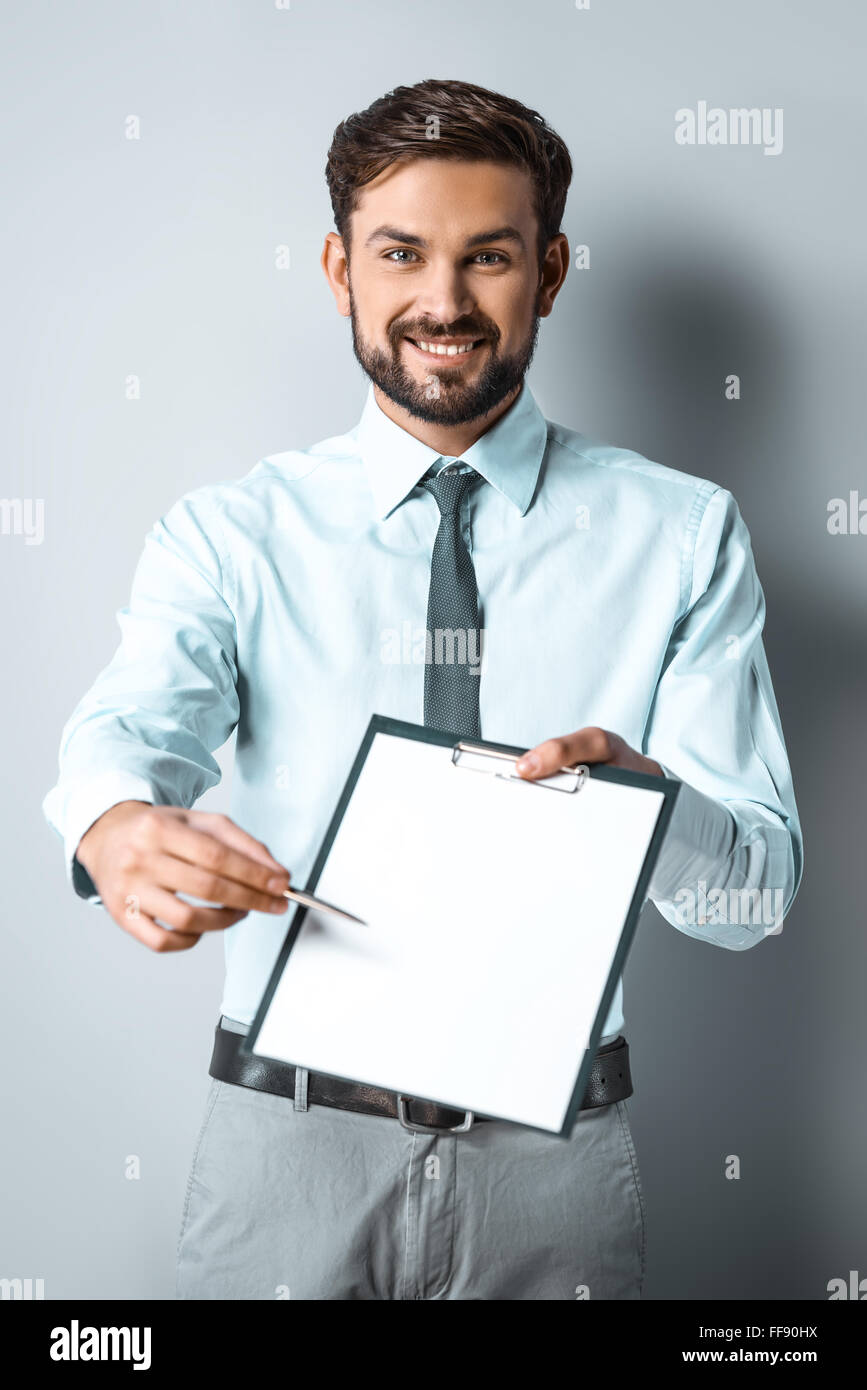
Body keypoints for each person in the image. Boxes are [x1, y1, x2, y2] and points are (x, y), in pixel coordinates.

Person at [43, 78, 803, 1301]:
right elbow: (127, 737)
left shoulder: (684, 536)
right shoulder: (230, 535)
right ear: (342, 270)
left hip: (556, 1167)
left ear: (549, 272)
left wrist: (645, 804)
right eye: (402, 253)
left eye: (487, 257)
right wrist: (116, 824)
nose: (442, 302)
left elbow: (750, 895)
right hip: (283, 1157)